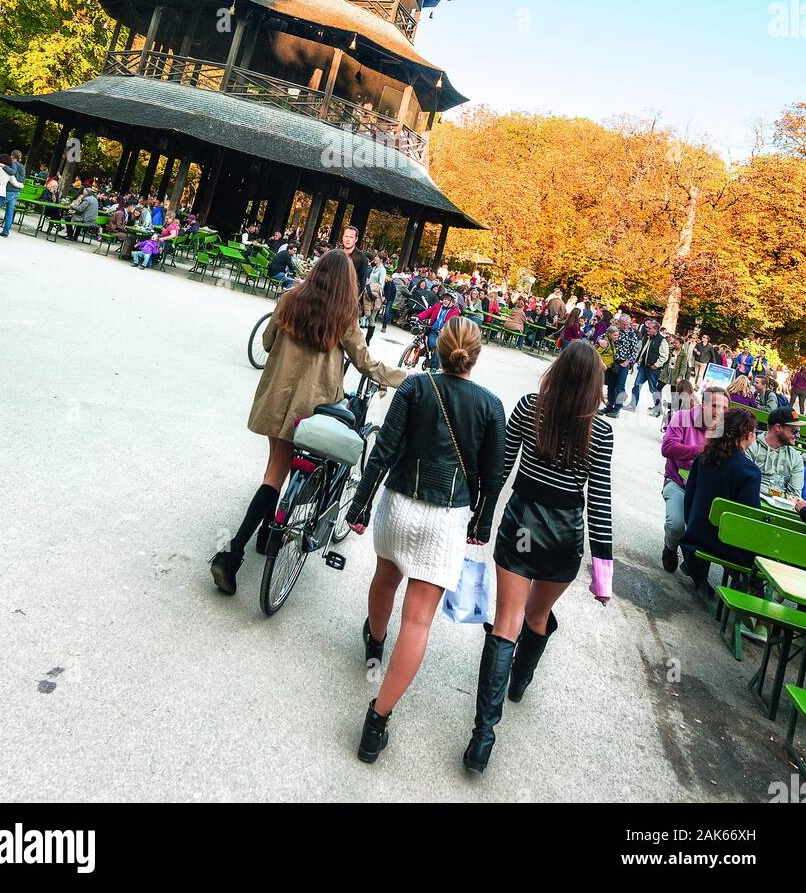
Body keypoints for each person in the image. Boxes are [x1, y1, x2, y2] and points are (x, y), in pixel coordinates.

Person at [345, 318, 505, 764]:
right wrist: (482, 523)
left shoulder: (414, 388)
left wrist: (359, 507)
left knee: (384, 578)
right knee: (417, 622)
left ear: (436, 348)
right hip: (446, 518)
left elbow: (384, 452)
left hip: (399, 503)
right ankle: (376, 723)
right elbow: (494, 475)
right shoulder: (492, 406)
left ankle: (375, 641)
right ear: (476, 355)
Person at [210, 250, 407, 597]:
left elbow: (269, 342)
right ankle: (232, 553)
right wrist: (405, 379)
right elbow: (365, 363)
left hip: (276, 397)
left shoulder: (289, 299)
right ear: (348, 282)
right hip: (312, 408)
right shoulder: (344, 315)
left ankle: (266, 533)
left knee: (275, 468)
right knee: (278, 474)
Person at [462, 340, 613, 774]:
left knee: (506, 620)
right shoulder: (600, 431)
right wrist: (602, 576)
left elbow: (501, 468)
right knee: (536, 617)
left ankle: (482, 737)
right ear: (594, 385)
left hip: (523, 525)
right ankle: (521, 680)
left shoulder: (530, 407)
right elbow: (599, 501)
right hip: (564, 535)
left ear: (557, 370)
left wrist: (481, 519)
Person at [680, 408, 761, 592]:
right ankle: (751, 594)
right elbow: (749, 518)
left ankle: (698, 569)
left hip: (695, 535)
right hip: (728, 546)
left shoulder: (703, 458)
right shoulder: (750, 471)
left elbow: (689, 499)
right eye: (755, 432)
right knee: (763, 554)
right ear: (747, 434)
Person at [660, 386, 730, 573]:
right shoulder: (682, 417)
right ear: (704, 405)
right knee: (676, 526)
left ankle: (696, 565)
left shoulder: (724, 429)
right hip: (678, 483)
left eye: (725, 408)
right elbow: (667, 448)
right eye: (716, 406)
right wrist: (698, 451)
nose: (720, 412)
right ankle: (670, 547)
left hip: (705, 492)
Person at [747, 409, 805, 499]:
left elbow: (794, 495)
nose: (798, 436)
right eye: (794, 431)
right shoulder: (751, 446)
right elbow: (742, 481)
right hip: (750, 501)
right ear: (778, 427)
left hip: (780, 507)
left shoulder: (795, 458)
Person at [627, 319, 670, 416]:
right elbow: (643, 350)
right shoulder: (647, 337)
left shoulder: (662, 340)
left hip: (653, 368)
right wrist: (638, 360)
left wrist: (657, 365)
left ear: (655, 329)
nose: (647, 329)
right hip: (643, 366)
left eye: (649, 328)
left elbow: (664, 356)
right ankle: (632, 405)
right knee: (636, 385)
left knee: (653, 389)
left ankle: (658, 410)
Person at [602, 314, 640, 418]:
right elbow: (603, 337)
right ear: (619, 322)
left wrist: (627, 362)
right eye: (623, 324)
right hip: (612, 362)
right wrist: (601, 341)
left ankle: (617, 408)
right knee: (611, 385)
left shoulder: (632, 335)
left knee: (620, 387)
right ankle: (610, 405)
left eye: (627, 324)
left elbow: (634, 351)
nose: (625, 326)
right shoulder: (614, 330)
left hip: (623, 363)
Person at [416, 290, 460, 369]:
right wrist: (418, 317)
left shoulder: (455, 311)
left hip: (444, 334)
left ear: (453, 302)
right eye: (445, 298)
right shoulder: (437, 306)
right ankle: (426, 354)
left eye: (448, 300)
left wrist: (445, 328)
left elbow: (450, 321)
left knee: (437, 347)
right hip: (433, 329)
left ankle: (434, 368)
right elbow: (428, 312)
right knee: (430, 342)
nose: (445, 301)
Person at [0, 150, 26, 238]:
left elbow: (12, 172)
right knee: (10, 212)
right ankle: (5, 231)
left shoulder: (13, 164)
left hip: (10, 190)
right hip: (16, 191)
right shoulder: (22, 166)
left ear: (13, 156)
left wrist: (3, 166)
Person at [339, 225, 370, 294]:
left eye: (351, 237)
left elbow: (362, 284)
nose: (348, 239)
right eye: (346, 236)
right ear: (342, 237)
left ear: (356, 239)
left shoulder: (362, 258)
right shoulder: (336, 254)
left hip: (347, 296)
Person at [381, 268, 397, 332]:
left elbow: (390, 292)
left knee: (387, 312)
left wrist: (385, 297)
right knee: (386, 311)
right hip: (386, 297)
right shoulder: (386, 281)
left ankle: (384, 326)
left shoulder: (390, 283)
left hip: (389, 298)